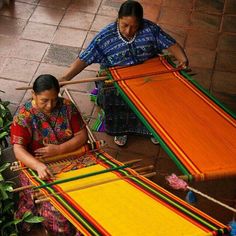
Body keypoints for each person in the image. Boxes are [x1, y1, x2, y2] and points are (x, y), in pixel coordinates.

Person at [60, 0, 188, 147]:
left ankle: (152, 127)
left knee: (160, 92)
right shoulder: (105, 37)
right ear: (118, 19)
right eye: (124, 25)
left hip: (147, 73)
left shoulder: (151, 29)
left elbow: (170, 43)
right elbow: (85, 58)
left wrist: (183, 59)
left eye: (134, 26)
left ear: (141, 22)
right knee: (114, 96)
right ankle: (121, 130)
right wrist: (65, 78)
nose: (128, 31)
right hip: (116, 77)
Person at [11, 74, 88, 235]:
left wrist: (59, 150)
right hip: (38, 164)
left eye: (54, 99)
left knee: (88, 196)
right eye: (44, 100)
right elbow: (18, 149)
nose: (50, 105)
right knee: (59, 208)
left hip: (71, 157)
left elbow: (82, 136)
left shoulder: (67, 107)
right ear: (33, 94)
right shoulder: (23, 117)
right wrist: (38, 166)